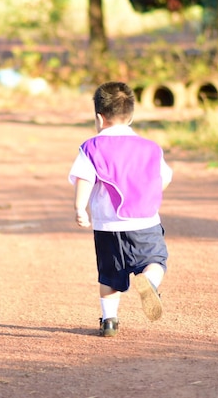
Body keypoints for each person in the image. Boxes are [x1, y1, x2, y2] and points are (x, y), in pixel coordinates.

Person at [68, 81, 173, 337]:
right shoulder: (150, 148)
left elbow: (85, 178)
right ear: (132, 116)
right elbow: (164, 178)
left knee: (109, 276)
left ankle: (109, 321)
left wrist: (80, 208)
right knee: (156, 261)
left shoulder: (92, 147)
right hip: (145, 222)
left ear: (99, 118)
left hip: (108, 226)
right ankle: (150, 280)